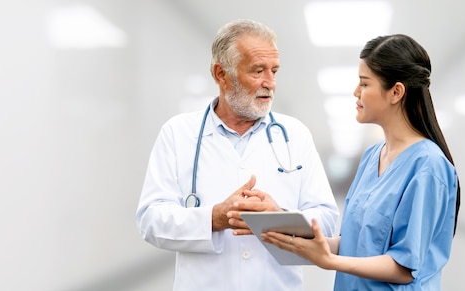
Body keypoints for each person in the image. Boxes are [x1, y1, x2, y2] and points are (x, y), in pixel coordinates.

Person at [136, 19, 339, 291]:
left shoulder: (295, 135)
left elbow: (326, 220)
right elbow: (150, 220)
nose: (270, 84)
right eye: (258, 71)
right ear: (221, 74)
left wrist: (279, 216)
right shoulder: (177, 133)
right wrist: (214, 218)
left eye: (274, 71)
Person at [262, 34, 461, 290]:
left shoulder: (428, 166)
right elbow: (352, 244)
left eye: (364, 84)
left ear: (396, 92)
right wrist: (282, 223)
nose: (356, 92)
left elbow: (403, 267)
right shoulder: (372, 157)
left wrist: (330, 261)